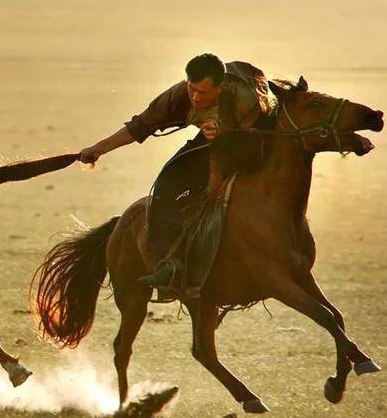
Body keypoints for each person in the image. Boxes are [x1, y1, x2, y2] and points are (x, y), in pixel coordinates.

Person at [79, 53, 271, 293]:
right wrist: (98, 149)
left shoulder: (245, 99)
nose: (195, 97)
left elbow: (256, 142)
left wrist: (226, 137)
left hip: (253, 142)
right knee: (166, 184)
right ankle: (168, 263)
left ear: (221, 88)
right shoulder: (179, 96)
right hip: (211, 139)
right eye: (192, 89)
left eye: (203, 92)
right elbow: (140, 126)